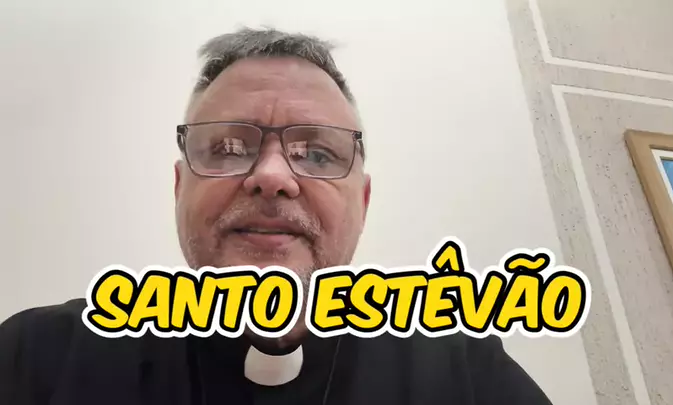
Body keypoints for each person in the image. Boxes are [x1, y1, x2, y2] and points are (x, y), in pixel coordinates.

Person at [0, 27, 554, 405]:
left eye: (318, 154)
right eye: (228, 148)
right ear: (179, 188)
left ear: (362, 204)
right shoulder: (37, 357)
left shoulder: (464, 373)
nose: (272, 176)